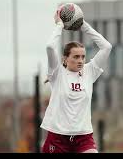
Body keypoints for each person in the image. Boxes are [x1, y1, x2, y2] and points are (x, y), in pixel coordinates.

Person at [40, 8, 112, 153]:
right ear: (65, 59)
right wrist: (59, 25)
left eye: (83, 57)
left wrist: (83, 25)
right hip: (58, 138)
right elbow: (49, 47)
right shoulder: (57, 73)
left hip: (83, 138)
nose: (80, 61)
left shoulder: (89, 72)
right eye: (76, 57)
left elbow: (106, 47)